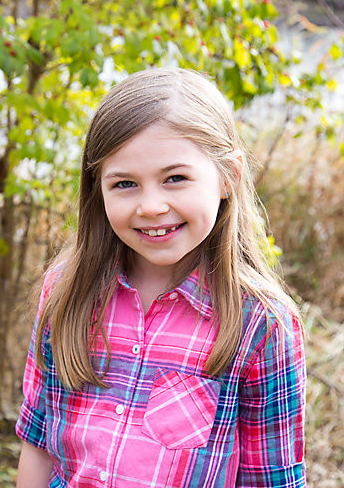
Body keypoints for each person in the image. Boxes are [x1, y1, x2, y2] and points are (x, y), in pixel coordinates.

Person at [15, 68, 307, 487]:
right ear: (98, 189)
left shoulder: (261, 323)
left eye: (175, 178)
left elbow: (271, 479)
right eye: (125, 184)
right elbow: (38, 443)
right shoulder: (65, 290)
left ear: (228, 177)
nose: (151, 206)